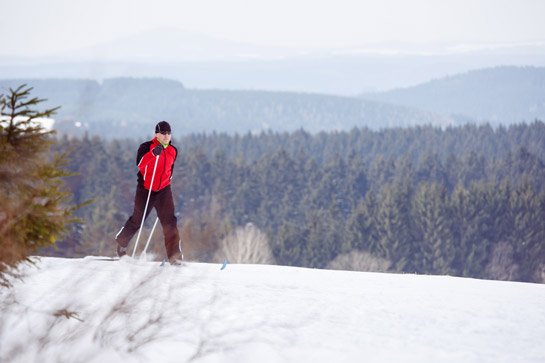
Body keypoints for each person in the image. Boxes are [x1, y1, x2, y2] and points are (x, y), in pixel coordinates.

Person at [115, 121, 182, 264]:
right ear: (156, 134)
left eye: (169, 133)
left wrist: (169, 179)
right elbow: (140, 163)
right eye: (163, 133)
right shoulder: (146, 147)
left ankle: (175, 257)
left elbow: (170, 168)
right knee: (137, 219)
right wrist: (153, 154)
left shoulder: (173, 150)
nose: (166, 136)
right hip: (146, 188)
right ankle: (122, 242)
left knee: (170, 222)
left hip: (164, 189)